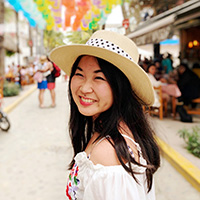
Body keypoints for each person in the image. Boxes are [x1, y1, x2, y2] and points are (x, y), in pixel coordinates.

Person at [50, 30, 160, 199]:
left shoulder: (108, 155)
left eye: (99, 78)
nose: (85, 88)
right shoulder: (113, 128)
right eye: (79, 74)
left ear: (120, 87)